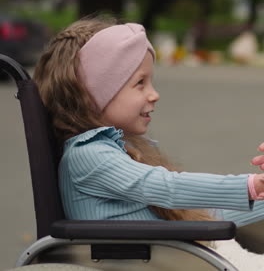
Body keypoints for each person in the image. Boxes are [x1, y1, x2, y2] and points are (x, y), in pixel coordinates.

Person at [33, 15, 264, 270]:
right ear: (94, 93)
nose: (154, 94)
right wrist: (250, 185)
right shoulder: (88, 156)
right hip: (154, 260)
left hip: (177, 253)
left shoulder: (119, 149)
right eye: (140, 83)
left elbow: (201, 213)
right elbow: (169, 188)